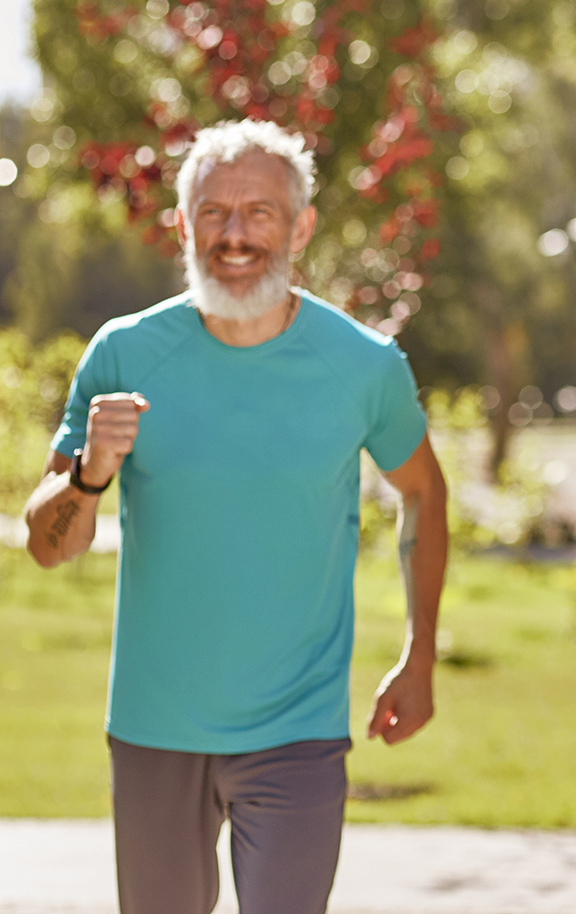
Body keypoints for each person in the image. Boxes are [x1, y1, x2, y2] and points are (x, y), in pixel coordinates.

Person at [24, 119, 448, 914]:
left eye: (259, 212)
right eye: (214, 212)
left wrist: (419, 656)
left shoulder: (362, 365)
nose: (235, 233)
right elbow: (49, 548)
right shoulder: (122, 353)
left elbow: (424, 491)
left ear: (301, 225)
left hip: (299, 729)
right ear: (183, 226)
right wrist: (89, 476)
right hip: (154, 728)